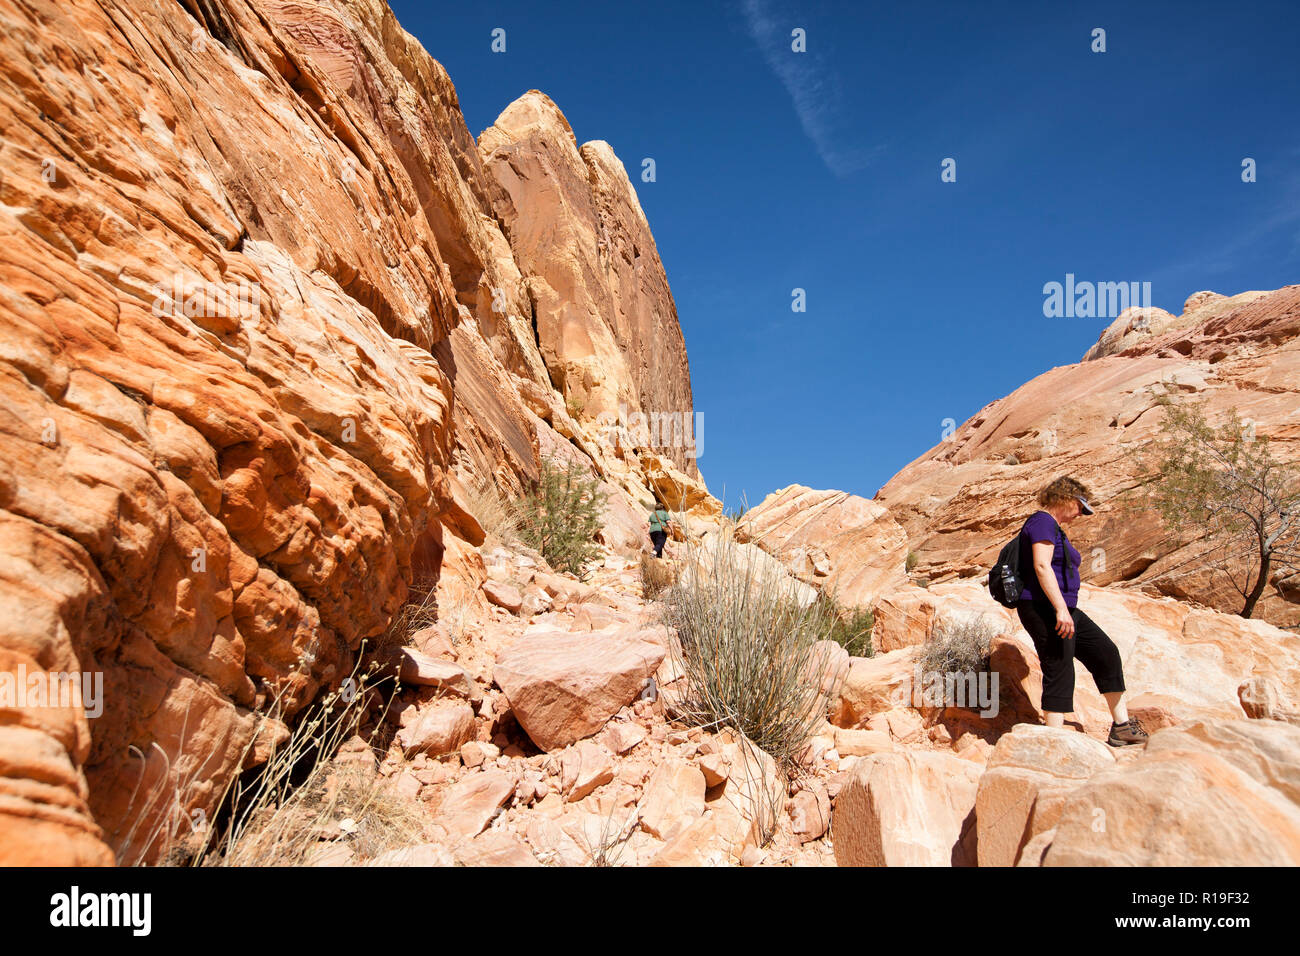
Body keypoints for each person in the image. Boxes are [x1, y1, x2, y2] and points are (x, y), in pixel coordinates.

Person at [1015, 476, 1148, 747]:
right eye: (1079, 506)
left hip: (1063, 607)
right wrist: (1060, 609)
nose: (1080, 514)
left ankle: (1121, 727)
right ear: (1064, 498)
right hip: (1044, 607)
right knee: (1059, 664)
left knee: (1106, 653)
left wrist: (1065, 608)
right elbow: (1042, 566)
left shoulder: (1054, 527)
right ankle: (1054, 738)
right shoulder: (1041, 521)